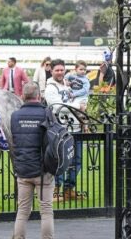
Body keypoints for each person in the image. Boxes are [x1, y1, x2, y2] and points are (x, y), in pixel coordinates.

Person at [10, 82, 54, 239]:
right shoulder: (46, 113)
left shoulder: (15, 116)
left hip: (23, 169)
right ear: (39, 96)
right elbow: (53, 141)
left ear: (23, 96)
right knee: (46, 210)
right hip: (43, 170)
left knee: (22, 211)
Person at [43, 59, 82, 201]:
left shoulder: (67, 85)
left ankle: (68, 189)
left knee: (77, 161)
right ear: (51, 71)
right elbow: (59, 107)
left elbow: (70, 103)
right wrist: (78, 105)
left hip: (75, 127)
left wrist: (75, 105)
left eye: (62, 69)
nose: (60, 72)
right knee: (60, 160)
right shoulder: (50, 88)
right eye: (57, 70)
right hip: (60, 131)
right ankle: (55, 191)